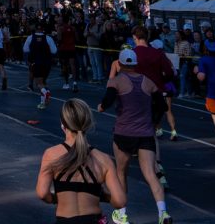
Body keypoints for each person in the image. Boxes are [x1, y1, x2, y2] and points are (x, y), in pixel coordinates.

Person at [99, 49, 171, 224]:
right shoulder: (149, 82)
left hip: (123, 133)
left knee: (121, 172)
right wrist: (153, 122)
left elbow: (106, 102)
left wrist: (101, 106)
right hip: (145, 134)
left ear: (121, 64)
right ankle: (163, 213)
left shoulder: (116, 81)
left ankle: (122, 214)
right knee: (150, 174)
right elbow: (162, 106)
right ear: (135, 63)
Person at [36, 98, 125, 224]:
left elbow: (42, 193)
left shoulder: (51, 154)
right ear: (88, 123)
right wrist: (102, 195)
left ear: (63, 123)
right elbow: (120, 201)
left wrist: (56, 199)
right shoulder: (103, 159)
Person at [24, 26, 58, 109]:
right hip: (47, 63)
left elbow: (25, 49)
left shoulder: (30, 38)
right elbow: (54, 51)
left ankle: (46, 94)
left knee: (38, 83)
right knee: (43, 81)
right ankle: (43, 102)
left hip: (36, 62)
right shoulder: (48, 38)